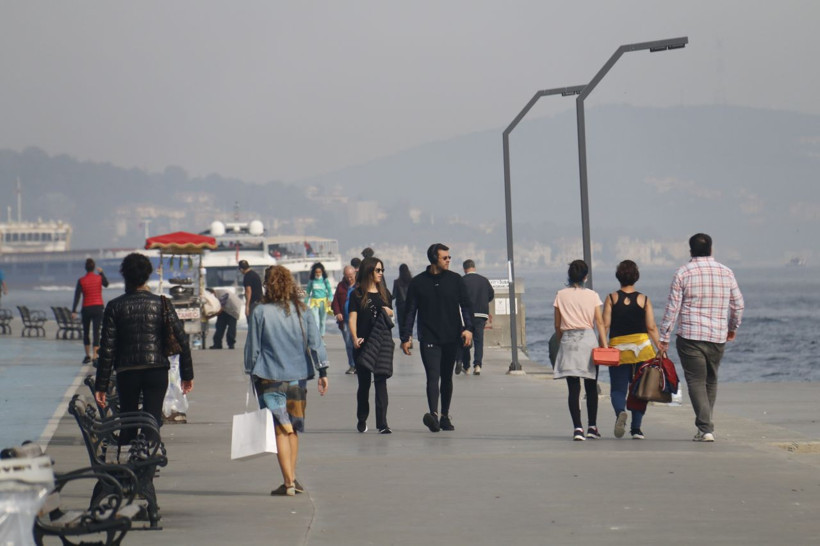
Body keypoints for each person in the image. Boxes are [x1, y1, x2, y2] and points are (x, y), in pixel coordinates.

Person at [244, 265, 329, 497]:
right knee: (293, 429)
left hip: (269, 376)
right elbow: (315, 343)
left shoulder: (260, 311)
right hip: (297, 378)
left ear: (267, 285)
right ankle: (292, 478)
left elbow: (253, 347)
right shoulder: (303, 310)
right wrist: (323, 372)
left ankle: (289, 482)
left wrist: (250, 370)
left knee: (280, 429)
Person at [94, 253, 194, 433]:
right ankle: (150, 455)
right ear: (147, 275)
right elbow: (182, 340)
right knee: (152, 421)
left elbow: (107, 349)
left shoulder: (114, 306)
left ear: (125, 275)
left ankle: (130, 455)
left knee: (128, 422)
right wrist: (187, 375)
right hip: (156, 370)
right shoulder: (162, 304)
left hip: (127, 372)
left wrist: (101, 385)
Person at [658, 233, 744, 442]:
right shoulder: (726, 272)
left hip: (690, 336)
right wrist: (732, 327)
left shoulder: (682, 273)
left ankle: (705, 427)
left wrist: (664, 337)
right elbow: (738, 304)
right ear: (711, 249)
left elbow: (672, 308)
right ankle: (706, 426)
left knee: (696, 381)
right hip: (717, 335)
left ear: (691, 251)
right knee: (711, 380)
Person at [400, 243, 473, 433]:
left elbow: (466, 306)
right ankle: (433, 415)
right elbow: (410, 312)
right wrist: (405, 336)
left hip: (452, 337)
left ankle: (444, 416)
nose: (449, 260)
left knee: (446, 377)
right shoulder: (418, 283)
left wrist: (468, 329)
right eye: (445, 257)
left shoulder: (456, 280)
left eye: (449, 257)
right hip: (428, 337)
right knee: (433, 376)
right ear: (434, 259)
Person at [602, 260, 660, 440]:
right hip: (643, 351)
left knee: (618, 390)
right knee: (640, 390)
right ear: (636, 277)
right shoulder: (644, 299)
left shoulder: (611, 298)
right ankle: (636, 429)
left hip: (618, 351)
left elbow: (605, 325)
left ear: (618, 276)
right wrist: (661, 347)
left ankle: (620, 412)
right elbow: (651, 327)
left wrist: (603, 346)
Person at [553, 259, 607, 441]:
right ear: (586, 276)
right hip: (588, 339)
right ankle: (592, 426)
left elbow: (557, 324)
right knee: (591, 385)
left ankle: (578, 428)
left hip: (569, 340)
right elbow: (599, 321)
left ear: (569, 276)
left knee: (573, 387)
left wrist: (562, 342)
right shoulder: (592, 295)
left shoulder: (560, 295)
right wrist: (604, 345)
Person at [349, 257, 395, 434]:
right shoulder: (357, 294)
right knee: (364, 384)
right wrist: (354, 337)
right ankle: (362, 418)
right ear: (369, 271)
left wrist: (387, 310)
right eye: (378, 270)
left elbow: (390, 311)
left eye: (382, 270)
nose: (381, 273)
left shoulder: (385, 293)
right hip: (363, 344)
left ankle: (382, 424)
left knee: (381, 382)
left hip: (382, 343)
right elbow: (353, 318)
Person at [71, 259, 110, 365]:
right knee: (96, 332)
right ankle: (95, 356)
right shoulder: (99, 278)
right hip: (98, 308)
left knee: (86, 332)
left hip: (86, 308)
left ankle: (87, 355)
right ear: (93, 268)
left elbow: (77, 296)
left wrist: (74, 310)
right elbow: (106, 284)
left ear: (85, 268)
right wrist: (101, 272)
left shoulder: (81, 280)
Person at [459, 259, 494, 376]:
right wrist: (483, 302)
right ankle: (477, 365)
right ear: (474, 267)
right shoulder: (484, 280)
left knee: (466, 340)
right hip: (482, 314)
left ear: (464, 269)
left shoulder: (462, 281)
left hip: (467, 315)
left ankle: (466, 366)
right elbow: (491, 294)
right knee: (479, 341)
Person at [331, 265, 357, 374]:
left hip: (357, 321)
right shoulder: (341, 286)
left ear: (355, 274)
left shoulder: (360, 286)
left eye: (351, 276)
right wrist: (337, 313)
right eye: (347, 276)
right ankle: (352, 365)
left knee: (358, 343)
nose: (349, 278)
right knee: (349, 343)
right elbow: (335, 302)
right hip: (345, 321)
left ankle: (360, 365)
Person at [304, 262, 333, 337]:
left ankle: (322, 337)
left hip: (323, 302)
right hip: (314, 302)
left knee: (322, 322)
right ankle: (317, 338)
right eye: (316, 272)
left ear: (322, 272)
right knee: (316, 321)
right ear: (314, 272)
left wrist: (330, 300)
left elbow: (330, 292)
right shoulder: (312, 281)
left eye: (319, 272)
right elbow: (307, 292)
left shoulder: (325, 280)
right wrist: (304, 303)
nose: (318, 273)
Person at [391, 264, 412, 339]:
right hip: (410, 305)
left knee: (401, 324)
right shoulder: (412, 281)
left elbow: (394, 295)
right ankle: (409, 339)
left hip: (400, 306)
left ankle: (403, 340)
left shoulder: (396, 282)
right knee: (409, 323)